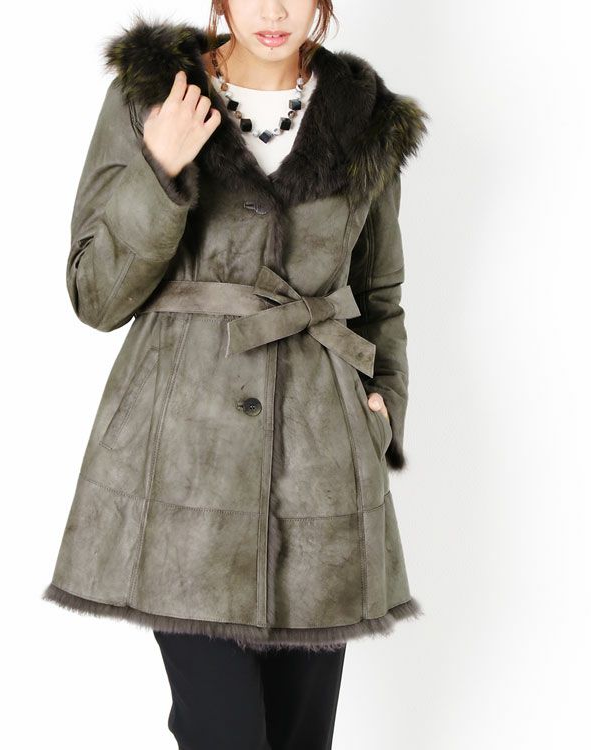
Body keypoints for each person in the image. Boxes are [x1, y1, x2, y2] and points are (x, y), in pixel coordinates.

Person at [43, 1, 429, 747]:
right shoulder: (154, 95)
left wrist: (383, 413)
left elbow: (379, 296)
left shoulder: (366, 120)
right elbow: (95, 296)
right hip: (182, 468)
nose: (275, 11)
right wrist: (159, 169)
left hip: (322, 476)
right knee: (224, 733)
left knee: (300, 736)